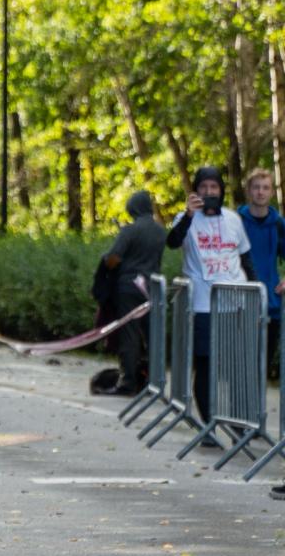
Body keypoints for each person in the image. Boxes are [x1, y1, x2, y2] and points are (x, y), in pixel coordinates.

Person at [167, 165, 257, 436]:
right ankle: (208, 426)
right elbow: (172, 242)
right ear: (196, 190)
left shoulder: (233, 219)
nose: (209, 192)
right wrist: (188, 215)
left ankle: (239, 424)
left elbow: (245, 258)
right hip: (203, 304)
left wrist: (258, 292)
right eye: (203, 187)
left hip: (235, 302)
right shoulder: (185, 218)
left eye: (214, 187)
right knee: (206, 365)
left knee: (235, 366)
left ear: (221, 190)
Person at [100, 191, 166, 395]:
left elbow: (114, 257)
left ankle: (128, 381)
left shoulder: (130, 230)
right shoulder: (161, 231)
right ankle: (154, 380)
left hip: (129, 288)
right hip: (152, 288)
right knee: (152, 335)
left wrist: (106, 262)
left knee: (129, 335)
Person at [238, 169, 285, 382]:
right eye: (256, 187)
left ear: (272, 192)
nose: (260, 192)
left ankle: (257, 414)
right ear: (249, 190)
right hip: (239, 302)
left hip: (271, 304)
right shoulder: (236, 220)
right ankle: (238, 413)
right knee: (239, 364)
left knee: (262, 368)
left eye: (265, 187)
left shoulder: (278, 224)